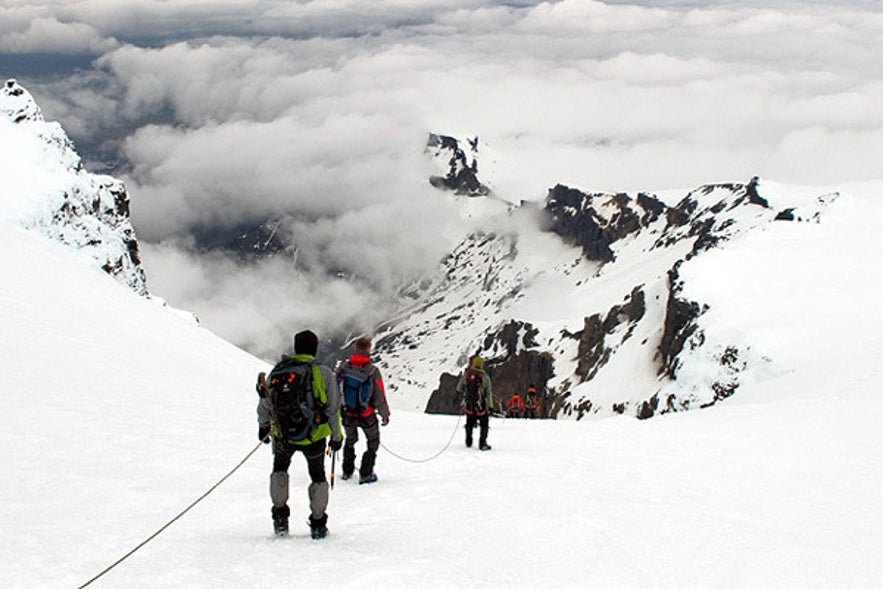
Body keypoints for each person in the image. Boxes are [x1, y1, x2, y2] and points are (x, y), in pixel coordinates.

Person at [256, 330, 343, 539]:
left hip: (283, 434)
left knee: (280, 470)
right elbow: (333, 408)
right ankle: (318, 522)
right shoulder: (322, 372)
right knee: (318, 475)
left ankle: (280, 517)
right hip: (314, 435)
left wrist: (263, 427)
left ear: (295, 348)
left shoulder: (278, 371)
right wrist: (336, 436)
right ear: (314, 348)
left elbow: (265, 402)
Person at [336, 336, 391, 485]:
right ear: (368, 349)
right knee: (373, 441)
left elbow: (335, 389)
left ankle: (347, 471)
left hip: (347, 412)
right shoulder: (372, 371)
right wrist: (384, 414)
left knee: (350, 440)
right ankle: (366, 473)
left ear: (355, 349)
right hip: (366, 414)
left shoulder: (344, 368)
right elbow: (379, 395)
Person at [457, 355, 494, 450]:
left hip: (469, 404)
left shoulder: (467, 374)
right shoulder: (484, 376)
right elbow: (489, 393)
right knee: (484, 423)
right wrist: (490, 406)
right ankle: (482, 443)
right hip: (481, 405)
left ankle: (468, 441)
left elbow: (459, 388)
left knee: (469, 422)